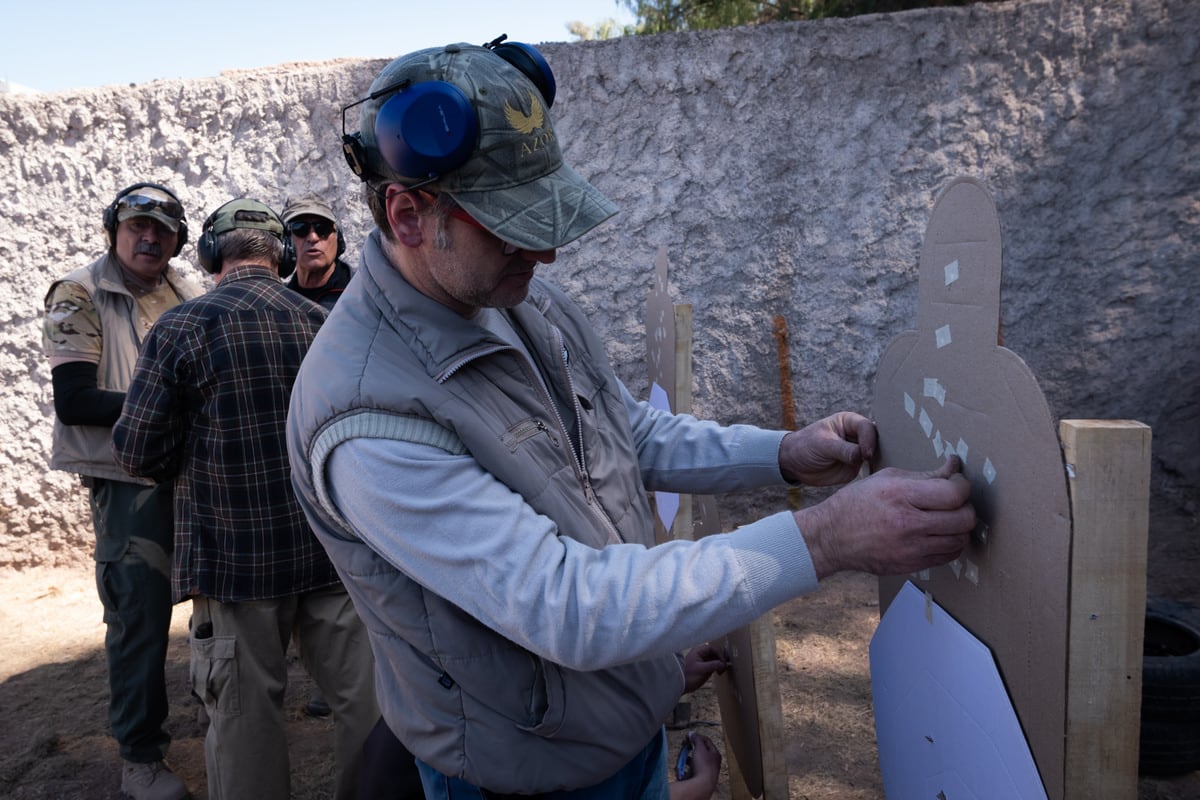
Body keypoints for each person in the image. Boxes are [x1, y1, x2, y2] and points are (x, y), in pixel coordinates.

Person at [286, 40, 975, 798]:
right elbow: (566, 604)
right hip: (522, 779)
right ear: (409, 214)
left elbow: (625, 433)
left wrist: (781, 455)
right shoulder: (366, 413)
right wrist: (826, 536)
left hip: (614, 731)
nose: (545, 251)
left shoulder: (510, 300)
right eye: (511, 224)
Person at [111, 198, 379, 800]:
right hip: (329, 554)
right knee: (368, 707)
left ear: (210, 254)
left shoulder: (180, 327)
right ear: (280, 254)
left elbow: (136, 451)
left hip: (232, 567)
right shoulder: (323, 325)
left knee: (243, 724)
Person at [41, 181, 200, 800]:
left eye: (162, 230)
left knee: (214, 603)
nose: (149, 238)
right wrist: (170, 404)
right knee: (138, 617)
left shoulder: (184, 291)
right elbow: (75, 399)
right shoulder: (79, 292)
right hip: (127, 481)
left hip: (191, 473)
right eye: (137, 226)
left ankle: (220, 713)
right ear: (115, 229)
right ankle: (140, 755)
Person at [280, 191, 355, 311]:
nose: (313, 238)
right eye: (300, 228)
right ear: (286, 242)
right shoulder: (281, 302)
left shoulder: (364, 292)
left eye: (322, 228)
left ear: (338, 237)